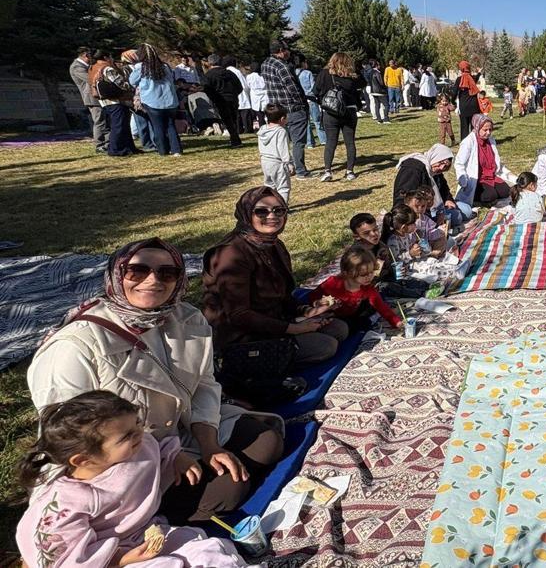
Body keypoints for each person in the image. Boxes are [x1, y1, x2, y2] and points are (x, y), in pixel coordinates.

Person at [28, 238, 283, 523]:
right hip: (118, 459)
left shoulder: (187, 318)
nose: (152, 280)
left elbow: (204, 385)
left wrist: (210, 445)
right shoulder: (75, 346)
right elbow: (71, 439)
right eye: (137, 271)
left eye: (167, 273)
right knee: (230, 489)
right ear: (116, 274)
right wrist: (166, 458)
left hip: (178, 433)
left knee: (268, 442)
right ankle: (140, 522)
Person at [16, 391, 249, 568]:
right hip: (108, 557)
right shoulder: (66, 504)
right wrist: (122, 559)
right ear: (83, 460)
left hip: (146, 533)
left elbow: (156, 446)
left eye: (137, 423)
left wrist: (176, 455)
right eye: (128, 435)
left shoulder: (137, 446)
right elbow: (67, 560)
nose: (140, 433)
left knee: (212, 551)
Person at [202, 187, 347, 372]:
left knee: (339, 329)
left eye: (279, 210)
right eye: (261, 211)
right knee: (325, 346)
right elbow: (239, 315)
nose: (272, 216)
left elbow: (283, 294)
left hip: (275, 319)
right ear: (246, 214)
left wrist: (308, 310)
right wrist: (293, 329)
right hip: (242, 335)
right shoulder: (231, 254)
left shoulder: (274, 244)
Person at [305, 246, 404, 331]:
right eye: (364, 274)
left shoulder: (367, 287)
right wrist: (319, 302)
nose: (370, 277)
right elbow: (312, 296)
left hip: (353, 312)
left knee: (365, 319)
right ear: (347, 273)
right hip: (334, 316)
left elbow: (381, 306)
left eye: (372, 272)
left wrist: (396, 322)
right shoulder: (333, 283)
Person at [314, 52, 367, 182]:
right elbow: (363, 83)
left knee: (331, 142)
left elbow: (315, 91)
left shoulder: (324, 74)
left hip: (331, 112)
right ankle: (350, 171)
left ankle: (327, 170)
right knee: (350, 142)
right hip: (349, 111)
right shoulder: (352, 76)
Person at [262, 41, 312, 178]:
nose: (289, 52)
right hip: (293, 108)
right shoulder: (282, 66)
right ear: (281, 50)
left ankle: (286, 167)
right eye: (286, 49)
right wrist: (301, 103)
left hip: (276, 109)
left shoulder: (265, 64)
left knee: (282, 142)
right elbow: (293, 88)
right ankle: (300, 170)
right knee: (298, 141)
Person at [454, 114, 516, 219]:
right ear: (477, 128)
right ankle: (476, 198)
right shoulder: (468, 142)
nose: (488, 133)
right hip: (477, 179)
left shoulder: (491, 140)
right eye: (485, 130)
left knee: (506, 191)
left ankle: (488, 194)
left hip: (490, 176)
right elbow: (459, 163)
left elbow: (496, 163)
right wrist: (463, 179)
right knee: (490, 196)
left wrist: (510, 174)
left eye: (490, 130)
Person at [128, 44, 183, 157]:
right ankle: (176, 149)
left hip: (152, 101)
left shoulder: (141, 67)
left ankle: (163, 150)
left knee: (157, 126)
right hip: (170, 101)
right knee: (170, 125)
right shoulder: (165, 66)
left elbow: (132, 81)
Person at [393, 144, 461, 226]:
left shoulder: (433, 169)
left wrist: (448, 199)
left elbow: (443, 188)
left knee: (463, 211)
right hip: (416, 212)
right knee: (456, 217)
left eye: (446, 166)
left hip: (429, 209)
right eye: (441, 162)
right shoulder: (414, 169)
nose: (442, 167)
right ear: (435, 156)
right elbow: (402, 197)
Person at [90, 51, 137, 157]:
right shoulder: (107, 68)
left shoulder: (93, 68)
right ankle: (115, 149)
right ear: (106, 57)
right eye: (111, 56)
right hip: (115, 100)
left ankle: (128, 147)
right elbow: (120, 83)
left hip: (105, 101)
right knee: (119, 126)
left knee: (122, 125)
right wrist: (131, 86)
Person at [201, 54, 242, 148]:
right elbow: (239, 87)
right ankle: (235, 138)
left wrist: (214, 99)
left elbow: (207, 89)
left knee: (227, 120)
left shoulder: (209, 75)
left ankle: (235, 139)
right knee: (233, 118)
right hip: (232, 98)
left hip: (220, 100)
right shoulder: (230, 73)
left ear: (210, 63)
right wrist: (234, 94)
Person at [70, 47, 106, 153]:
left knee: (106, 120)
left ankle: (108, 143)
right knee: (99, 120)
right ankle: (100, 144)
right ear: (86, 55)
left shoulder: (87, 66)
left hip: (99, 95)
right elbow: (90, 79)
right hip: (91, 97)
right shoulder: (76, 67)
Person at [257, 104, 293, 204]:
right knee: (283, 187)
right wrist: (288, 163)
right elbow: (283, 149)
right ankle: (282, 207)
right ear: (282, 119)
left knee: (269, 185)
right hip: (277, 163)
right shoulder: (281, 131)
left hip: (265, 161)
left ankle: (268, 205)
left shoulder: (262, 129)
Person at [448, 61, 483, 139]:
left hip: (464, 106)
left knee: (464, 127)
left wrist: (453, 102)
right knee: (474, 126)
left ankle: (465, 145)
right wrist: (479, 72)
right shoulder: (472, 78)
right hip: (474, 106)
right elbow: (477, 77)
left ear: (461, 69)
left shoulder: (459, 79)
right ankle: (476, 144)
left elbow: (454, 93)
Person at [226, 56, 253, 134]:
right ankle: (248, 129)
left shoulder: (226, 70)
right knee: (245, 114)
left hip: (232, 95)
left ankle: (238, 129)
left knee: (237, 115)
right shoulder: (236, 71)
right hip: (241, 93)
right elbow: (244, 84)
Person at [245, 61, 268, 129]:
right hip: (265, 96)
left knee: (259, 115)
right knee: (267, 114)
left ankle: (262, 128)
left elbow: (248, 87)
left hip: (255, 97)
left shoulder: (249, 76)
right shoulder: (264, 75)